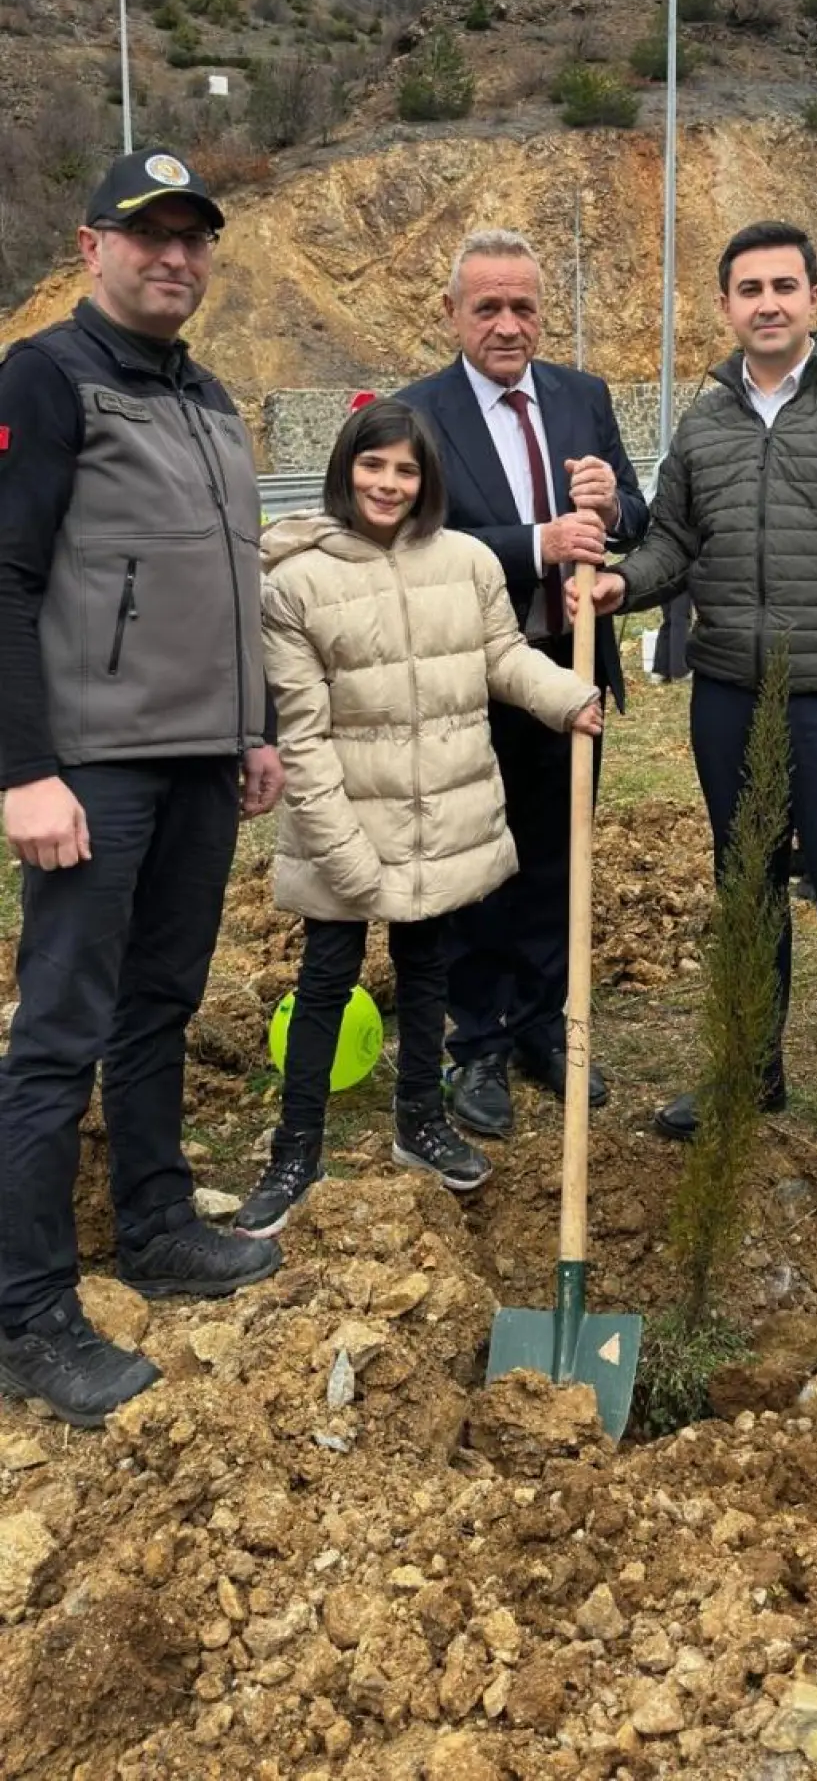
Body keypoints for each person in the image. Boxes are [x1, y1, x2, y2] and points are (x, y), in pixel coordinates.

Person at [0, 148, 285, 1428]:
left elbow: (226, 585)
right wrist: (23, 772)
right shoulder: (48, 380)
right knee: (60, 1029)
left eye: (193, 239)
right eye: (148, 235)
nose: (175, 256)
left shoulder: (208, 397)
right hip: (94, 770)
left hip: (201, 761)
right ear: (91, 247)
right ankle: (27, 1309)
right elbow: (5, 582)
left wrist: (256, 724)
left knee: (161, 1002)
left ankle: (157, 1223)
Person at [581, 219, 817, 1196]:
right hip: (731, 696)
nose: (768, 302)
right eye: (748, 288)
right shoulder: (702, 424)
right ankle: (750, 1069)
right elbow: (670, 542)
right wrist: (624, 584)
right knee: (744, 890)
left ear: (815, 299)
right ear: (725, 306)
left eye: (784, 285)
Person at [234, 400, 602, 1237]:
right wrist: (349, 861)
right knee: (326, 980)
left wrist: (567, 699)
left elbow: (502, 657)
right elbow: (302, 731)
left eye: (405, 469)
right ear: (345, 470)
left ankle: (419, 1124)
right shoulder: (293, 582)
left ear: (425, 478)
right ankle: (296, 1149)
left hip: (444, 811)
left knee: (428, 968)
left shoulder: (467, 561)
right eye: (373, 466)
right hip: (347, 819)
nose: (388, 484)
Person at [397, 230, 648, 1141]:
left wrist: (615, 508)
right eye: (488, 307)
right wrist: (530, 544)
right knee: (476, 869)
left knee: (559, 858)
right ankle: (482, 1044)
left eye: (524, 307)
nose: (508, 325)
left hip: (570, 670)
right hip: (474, 684)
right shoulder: (415, 415)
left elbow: (634, 516)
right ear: (453, 313)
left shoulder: (583, 397)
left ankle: (547, 1027)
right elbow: (409, 544)